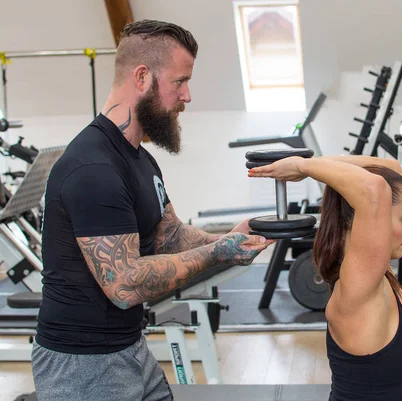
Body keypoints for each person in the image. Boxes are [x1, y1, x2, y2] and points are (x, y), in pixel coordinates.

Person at [32, 20, 272, 401]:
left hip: (128, 347)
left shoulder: (140, 159)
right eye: (180, 81)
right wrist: (217, 253)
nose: (188, 95)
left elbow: (170, 235)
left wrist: (228, 239)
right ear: (142, 77)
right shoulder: (93, 169)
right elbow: (125, 285)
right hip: (83, 364)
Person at [249, 155, 402, 401]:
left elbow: (391, 169)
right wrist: (303, 165)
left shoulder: (372, 275)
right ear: (367, 217)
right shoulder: (359, 288)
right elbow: (375, 188)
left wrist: (300, 167)